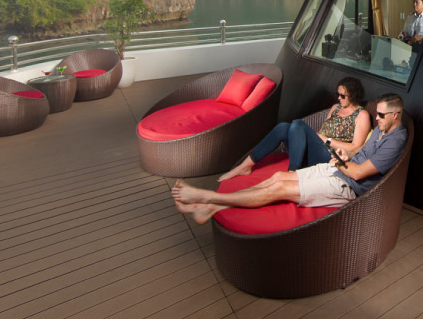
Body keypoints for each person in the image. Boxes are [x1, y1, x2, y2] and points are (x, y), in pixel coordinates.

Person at [172, 94, 408, 225]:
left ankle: (207, 198)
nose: (377, 118)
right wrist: (346, 157)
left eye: (381, 115)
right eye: (377, 113)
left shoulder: (395, 140)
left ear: (395, 115)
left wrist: (341, 162)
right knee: (276, 177)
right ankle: (212, 207)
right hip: (337, 167)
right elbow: (360, 154)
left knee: (279, 189)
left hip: (348, 186)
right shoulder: (382, 128)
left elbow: (358, 174)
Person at [218, 77, 371, 181]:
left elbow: (356, 147)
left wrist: (327, 140)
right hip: (316, 150)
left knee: (298, 124)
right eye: (338, 95)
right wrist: (317, 138)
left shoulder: (361, 114)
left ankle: (293, 173)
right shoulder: (335, 108)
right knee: (283, 127)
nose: (339, 98)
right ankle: (245, 166)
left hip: (330, 157)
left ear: (353, 95)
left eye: (343, 96)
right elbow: (322, 131)